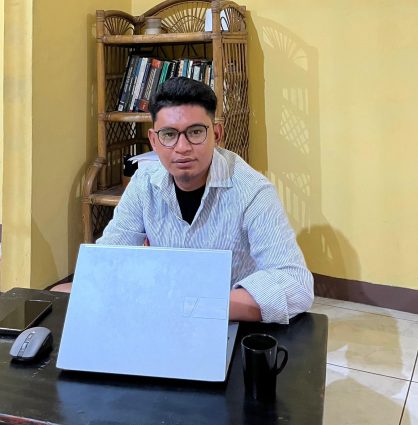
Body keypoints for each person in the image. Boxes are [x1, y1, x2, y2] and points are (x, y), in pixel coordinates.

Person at [54, 77, 313, 324]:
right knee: (60, 296)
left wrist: (194, 305)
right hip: (163, 318)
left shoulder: (253, 191)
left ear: (217, 134)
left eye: (196, 132)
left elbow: (296, 286)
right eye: (169, 134)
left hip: (229, 322)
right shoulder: (144, 182)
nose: (182, 147)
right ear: (154, 140)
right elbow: (109, 259)